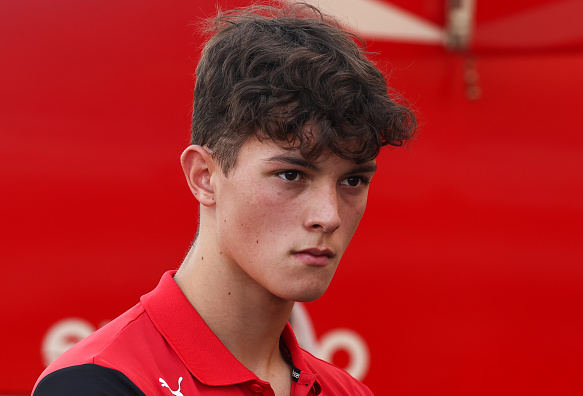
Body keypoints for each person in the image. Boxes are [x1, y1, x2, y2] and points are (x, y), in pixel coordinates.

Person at [32, 2, 416, 395]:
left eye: (352, 180)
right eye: (291, 174)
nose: (328, 215)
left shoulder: (348, 391)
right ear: (204, 177)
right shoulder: (95, 383)